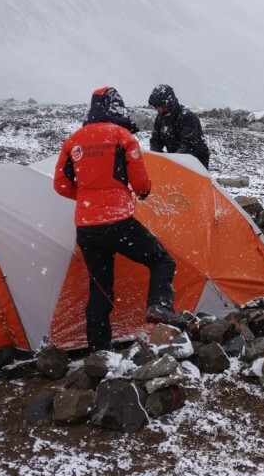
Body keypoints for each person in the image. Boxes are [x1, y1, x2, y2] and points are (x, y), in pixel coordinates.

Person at [54, 86, 181, 352]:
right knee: (161, 260)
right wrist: (134, 194)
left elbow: (61, 185)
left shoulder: (73, 141)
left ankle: (99, 351)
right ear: (117, 108)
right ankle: (158, 305)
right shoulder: (122, 137)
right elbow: (141, 183)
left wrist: (89, 197)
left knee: (100, 288)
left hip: (87, 228)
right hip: (118, 222)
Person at [147, 85, 211, 169]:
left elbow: (188, 146)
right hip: (176, 159)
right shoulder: (160, 118)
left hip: (196, 161)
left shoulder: (187, 117)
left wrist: (172, 163)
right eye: (158, 107)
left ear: (171, 103)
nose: (161, 110)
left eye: (164, 107)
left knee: (190, 181)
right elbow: (155, 141)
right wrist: (157, 160)